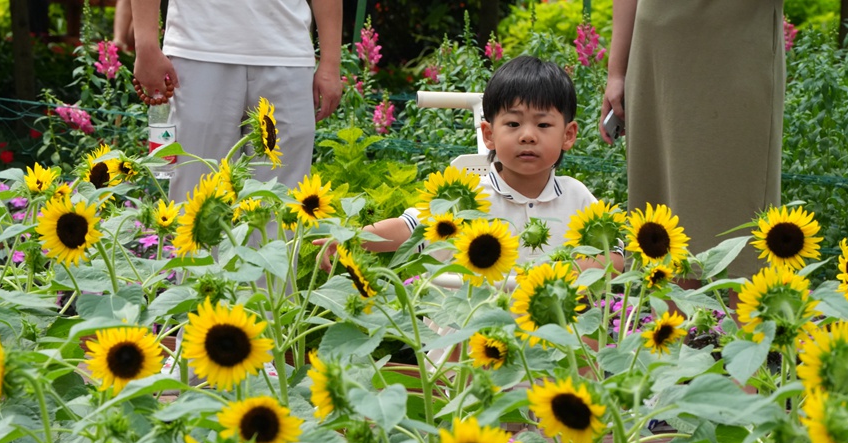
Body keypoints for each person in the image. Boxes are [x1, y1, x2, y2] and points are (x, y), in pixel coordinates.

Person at [319, 55, 624, 275]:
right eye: (514, 123)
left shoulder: (576, 197)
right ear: (489, 134)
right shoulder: (467, 197)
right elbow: (408, 228)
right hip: (471, 336)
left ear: (568, 135)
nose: (528, 136)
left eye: (543, 125)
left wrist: (569, 274)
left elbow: (617, 253)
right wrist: (351, 237)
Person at [600, 1, 784, 295]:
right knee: (667, 207)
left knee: (747, 208)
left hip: (740, 41)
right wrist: (616, 72)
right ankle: (674, 336)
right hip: (659, 46)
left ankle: (750, 340)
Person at [131, 0, 343, 202]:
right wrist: (146, 44)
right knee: (196, 205)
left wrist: (331, 63)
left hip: (287, 53)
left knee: (282, 208)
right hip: (197, 52)